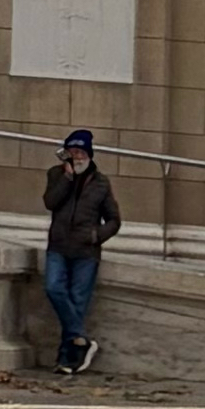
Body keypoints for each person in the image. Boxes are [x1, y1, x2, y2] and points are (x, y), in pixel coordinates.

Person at [39, 129, 122, 377]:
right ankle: (82, 339)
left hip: (86, 251)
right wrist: (66, 178)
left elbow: (114, 220)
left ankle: (67, 359)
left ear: (89, 155)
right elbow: (50, 202)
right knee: (53, 288)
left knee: (77, 301)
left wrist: (96, 235)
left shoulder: (101, 183)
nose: (76, 157)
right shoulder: (56, 175)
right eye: (72, 152)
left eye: (80, 152)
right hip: (58, 246)